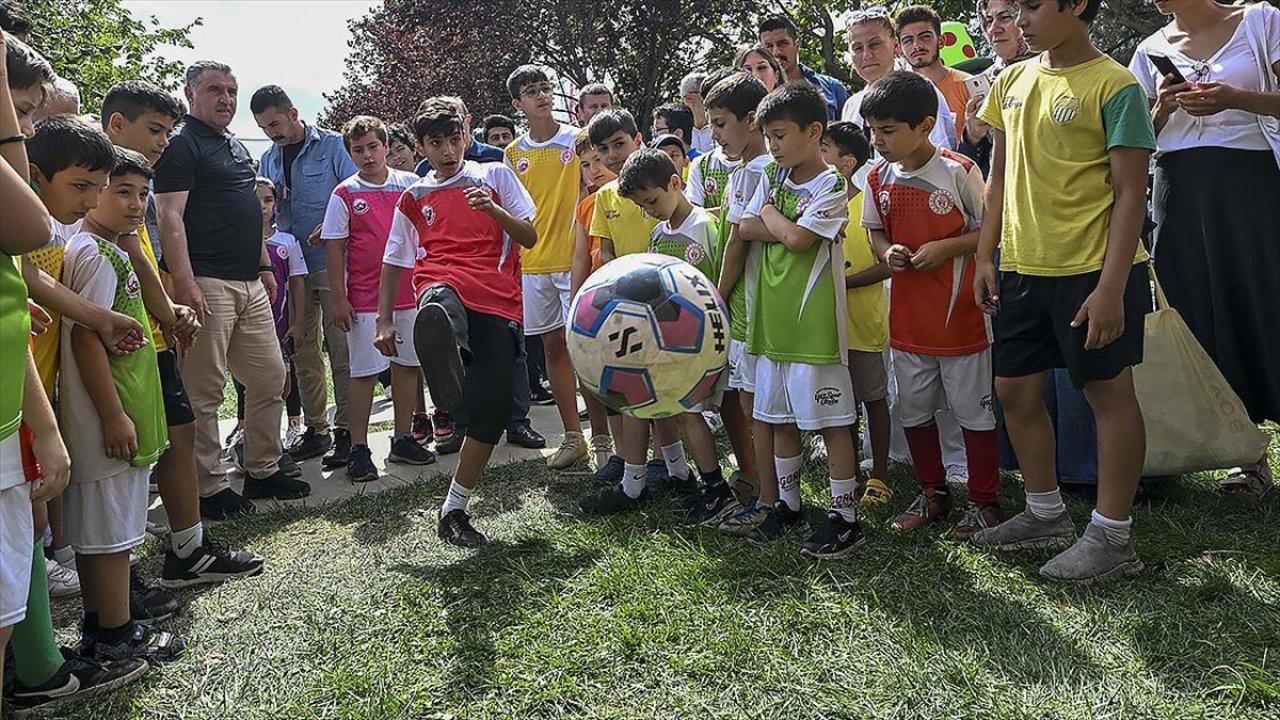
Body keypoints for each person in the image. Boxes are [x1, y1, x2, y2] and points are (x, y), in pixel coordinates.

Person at [972, 0, 1157, 582]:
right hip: (1023, 267)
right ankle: (1045, 513)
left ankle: (1112, 538)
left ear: (1076, 5)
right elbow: (998, 175)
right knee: (1014, 390)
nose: (1018, 19)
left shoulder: (1116, 85)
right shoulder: (1010, 80)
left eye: (1031, 5)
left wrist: (1110, 287)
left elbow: (1132, 193)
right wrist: (985, 253)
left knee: (1108, 394)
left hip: (1093, 271)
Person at [100, 81, 265, 589]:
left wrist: (167, 307)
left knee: (179, 431)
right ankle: (118, 579)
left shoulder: (137, 180)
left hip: (155, 329)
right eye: (155, 130)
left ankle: (188, 549)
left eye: (167, 132)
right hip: (120, 345)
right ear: (116, 126)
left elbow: (138, 248)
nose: (163, 142)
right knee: (128, 459)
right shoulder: (97, 185)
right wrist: (184, 290)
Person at [1130, 0, 1280, 497]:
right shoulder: (1149, 48)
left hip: (1252, 182)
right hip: (1178, 186)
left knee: (1265, 302)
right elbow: (1136, 139)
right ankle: (1248, 459)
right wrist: (1164, 106)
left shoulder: (1262, 21)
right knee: (1199, 313)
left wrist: (1235, 98)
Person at [379, 98, 537, 547]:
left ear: (466, 137)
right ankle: (441, 346)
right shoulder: (414, 196)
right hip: (441, 282)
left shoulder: (496, 175)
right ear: (420, 146)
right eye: (436, 143)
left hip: (497, 300)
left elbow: (529, 236)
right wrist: (385, 320)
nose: (447, 150)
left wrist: (492, 210)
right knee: (438, 300)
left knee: (495, 410)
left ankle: (453, 510)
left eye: (454, 140)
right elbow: (394, 260)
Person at [155, 61, 306, 519]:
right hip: (205, 281)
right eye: (215, 90)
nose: (226, 99)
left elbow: (248, 213)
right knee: (205, 390)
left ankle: (262, 467)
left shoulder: (234, 145)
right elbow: (168, 217)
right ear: (190, 94)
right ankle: (208, 486)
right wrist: (184, 283)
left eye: (231, 91)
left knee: (270, 377)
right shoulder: (180, 145)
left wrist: (263, 264)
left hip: (248, 280)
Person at [860, 72, 999, 540]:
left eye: (888, 130)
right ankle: (932, 492)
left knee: (973, 412)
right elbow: (875, 230)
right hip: (907, 321)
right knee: (914, 410)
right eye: (872, 131)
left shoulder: (958, 170)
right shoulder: (876, 177)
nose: (877, 141)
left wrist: (947, 248)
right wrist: (886, 252)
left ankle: (984, 501)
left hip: (961, 316)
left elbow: (989, 231)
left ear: (923, 126)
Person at [60, 147, 184, 663]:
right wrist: (113, 415)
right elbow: (87, 338)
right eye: (122, 192)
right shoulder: (95, 254)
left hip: (114, 416)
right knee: (111, 535)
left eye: (142, 194)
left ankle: (103, 621)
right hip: (105, 421)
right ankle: (115, 632)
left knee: (104, 532)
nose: (136, 205)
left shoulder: (111, 249)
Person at [736, 82, 861, 558]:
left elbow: (797, 242)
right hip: (770, 327)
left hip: (815, 331)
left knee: (832, 424)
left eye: (781, 135)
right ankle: (788, 506)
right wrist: (777, 221)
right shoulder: (771, 177)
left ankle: (845, 516)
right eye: (767, 136)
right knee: (779, 418)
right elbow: (744, 229)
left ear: (814, 131)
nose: (772, 146)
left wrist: (771, 216)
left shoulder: (832, 184)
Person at [580, 148, 726, 517]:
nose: (650, 211)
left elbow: (711, 291)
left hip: (697, 346)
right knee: (643, 398)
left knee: (688, 414)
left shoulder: (705, 229)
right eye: (642, 207)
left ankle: (715, 487)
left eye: (652, 201)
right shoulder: (660, 233)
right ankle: (670, 475)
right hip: (663, 342)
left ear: (675, 183)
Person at [321, 115, 435, 481]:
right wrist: (339, 298)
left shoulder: (411, 185)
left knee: (407, 365)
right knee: (364, 373)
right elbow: (335, 249)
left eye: (373, 146)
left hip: (410, 293)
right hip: (366, 298)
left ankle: (403, 438)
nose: (367, 155)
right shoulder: (344, 194)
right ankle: (358, 447)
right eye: (358, 150)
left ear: (387, 146)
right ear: (349, 153)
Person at [252, 84, 358, 467]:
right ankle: (317, 429)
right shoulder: (267, 159)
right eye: (264, 128)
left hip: (330, 263)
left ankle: (348, 429)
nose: (272, 133)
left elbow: (352, 192)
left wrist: (331, 227)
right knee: (302, 350)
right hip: (288, 270)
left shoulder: (332, 146)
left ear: (294, 113)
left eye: (275, 123)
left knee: (342, 348)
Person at [505, 65, 589, 469]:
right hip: (533, 264)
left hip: (575, 259)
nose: (541, 95)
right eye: (531, 91)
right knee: (554, 348)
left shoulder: (577, 140)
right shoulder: (512, 153)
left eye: (544, 88)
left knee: (586, 348)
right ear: (517, 103)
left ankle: (604, 437)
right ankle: (574, 437)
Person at [708, 72, 772, 537]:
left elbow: (737, 240)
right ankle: (762, 486)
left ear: (752, 121)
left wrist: (718, 293)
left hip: (752, 308)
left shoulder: (757, 170)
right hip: (759, 306)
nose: (714, 135)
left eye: (721, 123)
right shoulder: (756, 168)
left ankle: (768, 496)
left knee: (757, 408)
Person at [820, 120, 893, 508]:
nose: (817, 157)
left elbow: (888, 264)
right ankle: (848, 471)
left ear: (846, 163)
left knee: (873, 398)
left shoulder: (867, 204)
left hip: (863, 324)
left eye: (824, 150)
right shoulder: (814, 207)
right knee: (840, 404)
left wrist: (843, 284)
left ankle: (879, 474)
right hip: (827, 328)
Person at [568, 128, 623, 480]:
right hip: (599, 305)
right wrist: (574, 304)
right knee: (608, 382)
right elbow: (579, 259)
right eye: (585, 165)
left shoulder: (633, 196)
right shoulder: (586, 205)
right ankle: (615, 450)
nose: (594, 170)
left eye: (598, 160)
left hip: (630, 303)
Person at [842, 7, 958, 152]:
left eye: (875, 44)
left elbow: (944, 154)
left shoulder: (921, 92)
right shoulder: (851, 106)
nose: (867, 55)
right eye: (858, 48)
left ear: (896, 45)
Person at [959, 0, 1035, 174]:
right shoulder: (986, 79)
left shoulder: (1056, 70)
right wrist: (973, 136)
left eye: (1005, 17)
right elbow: (971, 168)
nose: (994, 28)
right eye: (988, 20)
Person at [896, 5, 971, 144]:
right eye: (908, 40)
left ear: (941, 41)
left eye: (925, 37)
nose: (916, 45)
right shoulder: (897, 94)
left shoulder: (967, 85)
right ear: (899, 49)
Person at [759, 15, 851, 119]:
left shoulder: (832, 88)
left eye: (782, 44)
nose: (776, 52)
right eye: (769, 46)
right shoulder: (755, 93)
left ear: (797, 45)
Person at [413, 96, 504, 175]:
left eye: (452, 117)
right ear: (420, 148)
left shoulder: (497, 163)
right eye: (436, 142)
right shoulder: (423, 171)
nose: (448, 151)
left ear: (467, 120)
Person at [680, 71, 714, 153]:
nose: (711, 97)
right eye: (705, 93)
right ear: (689, 97)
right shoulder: (681, 131)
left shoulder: (720, 126)